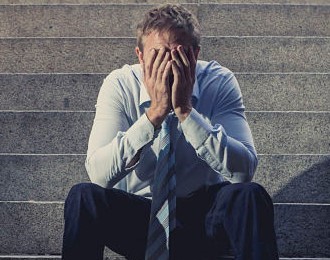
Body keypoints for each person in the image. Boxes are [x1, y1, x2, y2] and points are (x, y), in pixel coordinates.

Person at [62, 4, 279, 260]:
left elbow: (243, 170)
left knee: (249, 196)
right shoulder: (120, 84)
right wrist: (153, 115)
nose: (168, 65)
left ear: (195, 55)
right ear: (140, 57)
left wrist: (186, 112)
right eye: (157, 55)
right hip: (142, 219)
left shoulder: (218, 81)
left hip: (205, 217)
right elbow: (98, 175)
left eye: (177, 54)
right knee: (83, 196)